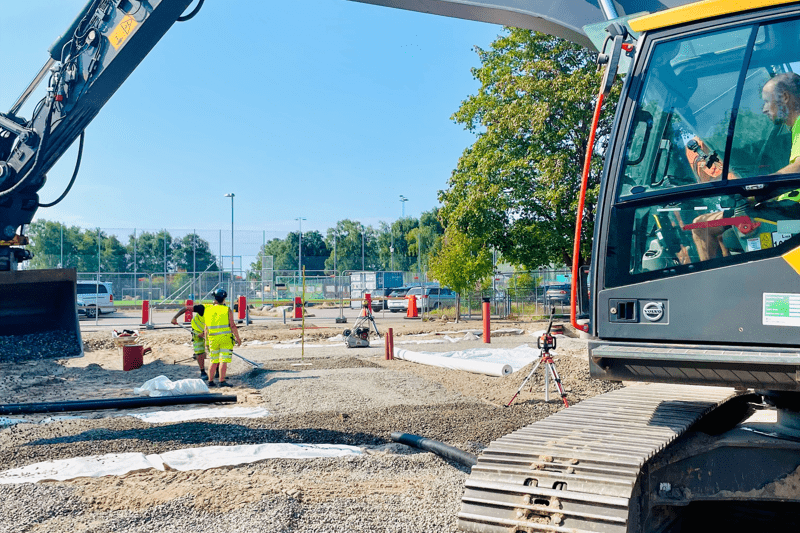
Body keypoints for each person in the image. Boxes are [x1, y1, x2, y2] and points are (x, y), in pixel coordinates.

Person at [689, 72, 800, 260]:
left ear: (785, 97)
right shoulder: (793, 130)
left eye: (767, 101)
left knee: (702, 227)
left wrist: (753, 191)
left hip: (793, 222)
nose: (764, 109)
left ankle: (710, 287)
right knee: (713, 229)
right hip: (787, 210)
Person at [204, 288, 241, 388]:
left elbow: (206, 328)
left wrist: (206, 342)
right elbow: (232, 325)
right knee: (223, 360)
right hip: (225, 339)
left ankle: (210, 381)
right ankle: (221, 381)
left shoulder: (208, 310)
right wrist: (238, 338)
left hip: (213, 339)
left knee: (213, 360)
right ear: (224, 298)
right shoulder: (226, 310)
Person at [171, 304, 209, 379]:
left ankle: (217, 371)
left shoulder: (222, 312)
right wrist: (175, 318)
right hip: (197, 331)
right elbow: (186, 308)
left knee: (215, 351)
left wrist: (205, 333)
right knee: (199, 352)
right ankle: (203, 371)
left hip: (210, 332)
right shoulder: (202, 308)